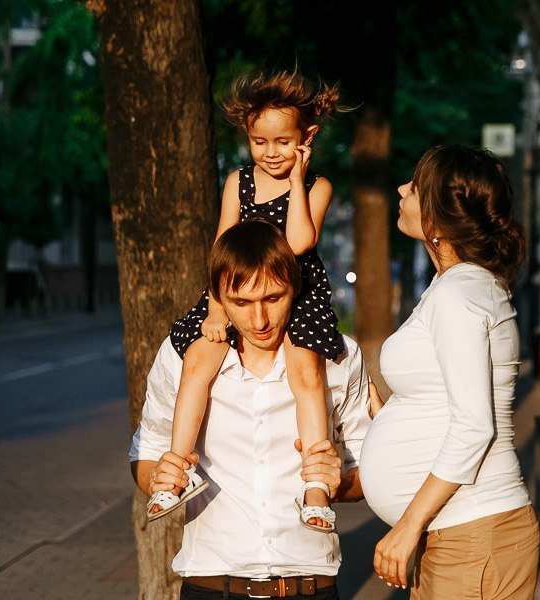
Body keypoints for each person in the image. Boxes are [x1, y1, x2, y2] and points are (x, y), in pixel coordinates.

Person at [130, 220, 372, 600]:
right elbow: (144, 456)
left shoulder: (339, 358)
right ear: (218, 298)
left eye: (273, 298)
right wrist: (157, 478)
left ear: (294, 288)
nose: (259, 321)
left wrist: (340, 482)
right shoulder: (182, 359)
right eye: (241, 303)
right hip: (211, 584)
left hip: (310, 586)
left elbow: (370, 473)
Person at [151, 70, 347, 532]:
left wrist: (297, 180)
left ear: (306, 138)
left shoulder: (318, 186)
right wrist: (218, 306)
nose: (271, 152)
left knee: (306, 374)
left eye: (283, 142)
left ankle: (315, 489)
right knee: (198, 362)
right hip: (234, 289)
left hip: (294, 293)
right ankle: (177, 469)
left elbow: (298, 241)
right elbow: (223, 242)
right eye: (260, 142)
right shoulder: (238, 182)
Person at [359, 145, 540, 599]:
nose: (402, 189)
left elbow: (475, 426)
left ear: (438, 221)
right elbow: (449, 399)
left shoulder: (459, 294)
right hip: (459, 535)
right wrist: (395, 417)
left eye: (416, 187)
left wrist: (407, 526)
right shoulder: (456, 285)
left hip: (471, 535)